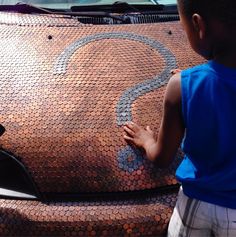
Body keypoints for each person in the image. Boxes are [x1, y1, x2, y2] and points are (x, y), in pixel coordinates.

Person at [123, 0, 236, 236]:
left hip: (196, 206)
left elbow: (162, 157)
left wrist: (146, 140)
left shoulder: (181, 87)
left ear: (198, 25)